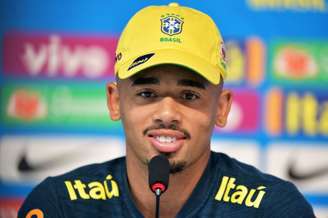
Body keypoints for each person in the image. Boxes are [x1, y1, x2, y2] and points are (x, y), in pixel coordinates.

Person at [18, 3, 315, 218]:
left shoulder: (274, 209)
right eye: (147, 93)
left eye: (189, 94)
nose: (168, 113)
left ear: (222, 108)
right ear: (115, 101)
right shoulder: (59, 205)